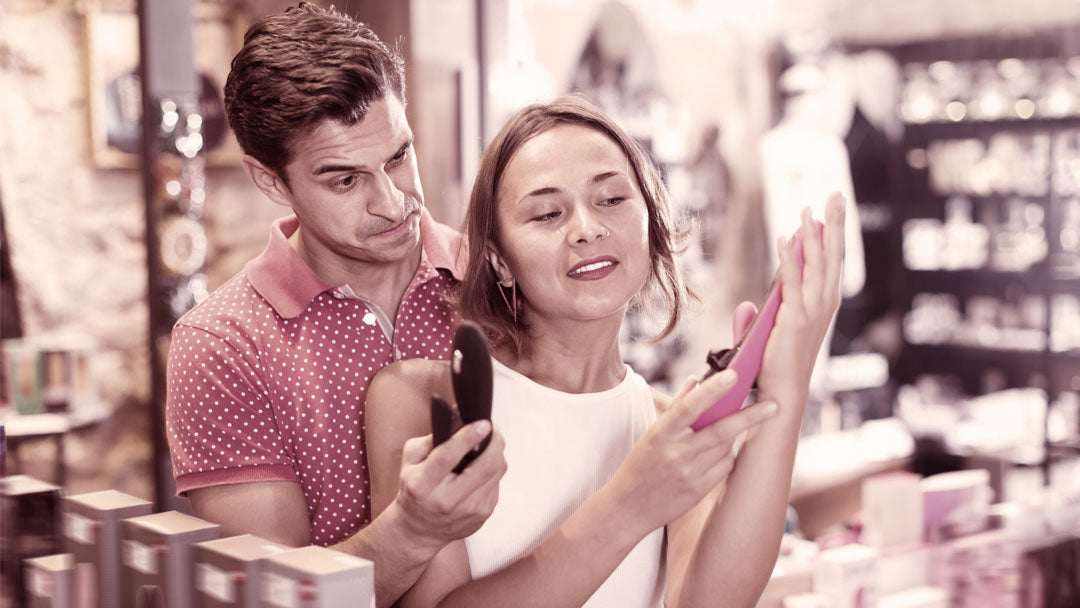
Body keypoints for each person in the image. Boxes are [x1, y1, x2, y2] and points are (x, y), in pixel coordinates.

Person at [365, 96, 846, 607]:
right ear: (499, 261)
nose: (587, 228)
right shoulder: (423, 399)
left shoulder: (667, 425)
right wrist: (634, 501)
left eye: (612, 200)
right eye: (548, 213)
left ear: (651, 221)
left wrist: (785, 388)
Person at [163, 4, 506, 606]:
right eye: (345, 180)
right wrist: (414, 530)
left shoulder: (499, 278)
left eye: (398, 156)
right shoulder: (222, 345)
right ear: (270, 181)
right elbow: (271, 596)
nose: (392, 201)